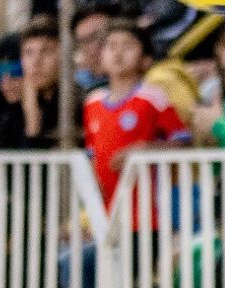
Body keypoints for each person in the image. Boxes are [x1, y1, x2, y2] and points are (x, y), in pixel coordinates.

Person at [78, 21, 187, 192]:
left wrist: (146, 151)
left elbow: (183, 142)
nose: (118, 53)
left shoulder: (153, 97)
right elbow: (91, 152)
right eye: (111, 46)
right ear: (102, 58)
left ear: (146, 60)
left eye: (128, 46)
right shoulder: (92, 102)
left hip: (147, 205)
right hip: (105, 206)